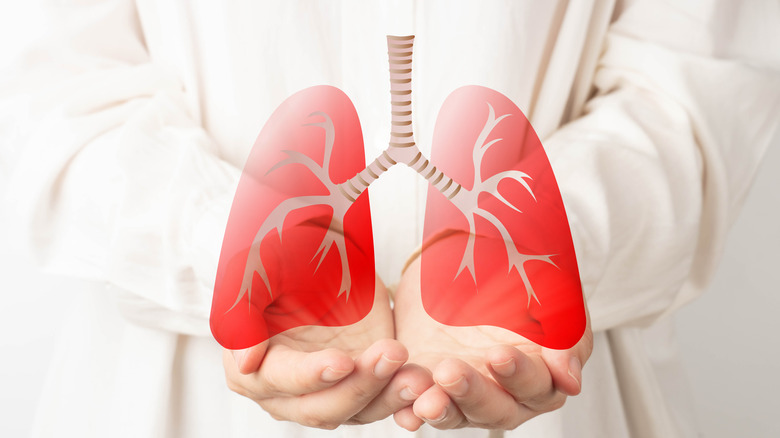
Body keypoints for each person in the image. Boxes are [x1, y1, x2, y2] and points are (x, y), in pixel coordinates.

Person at [2, 1, 778, 437]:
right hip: (176, 402)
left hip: (554, 387)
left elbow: (698, 94)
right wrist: (248, 265)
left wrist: (524, 259)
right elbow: (54, 98)